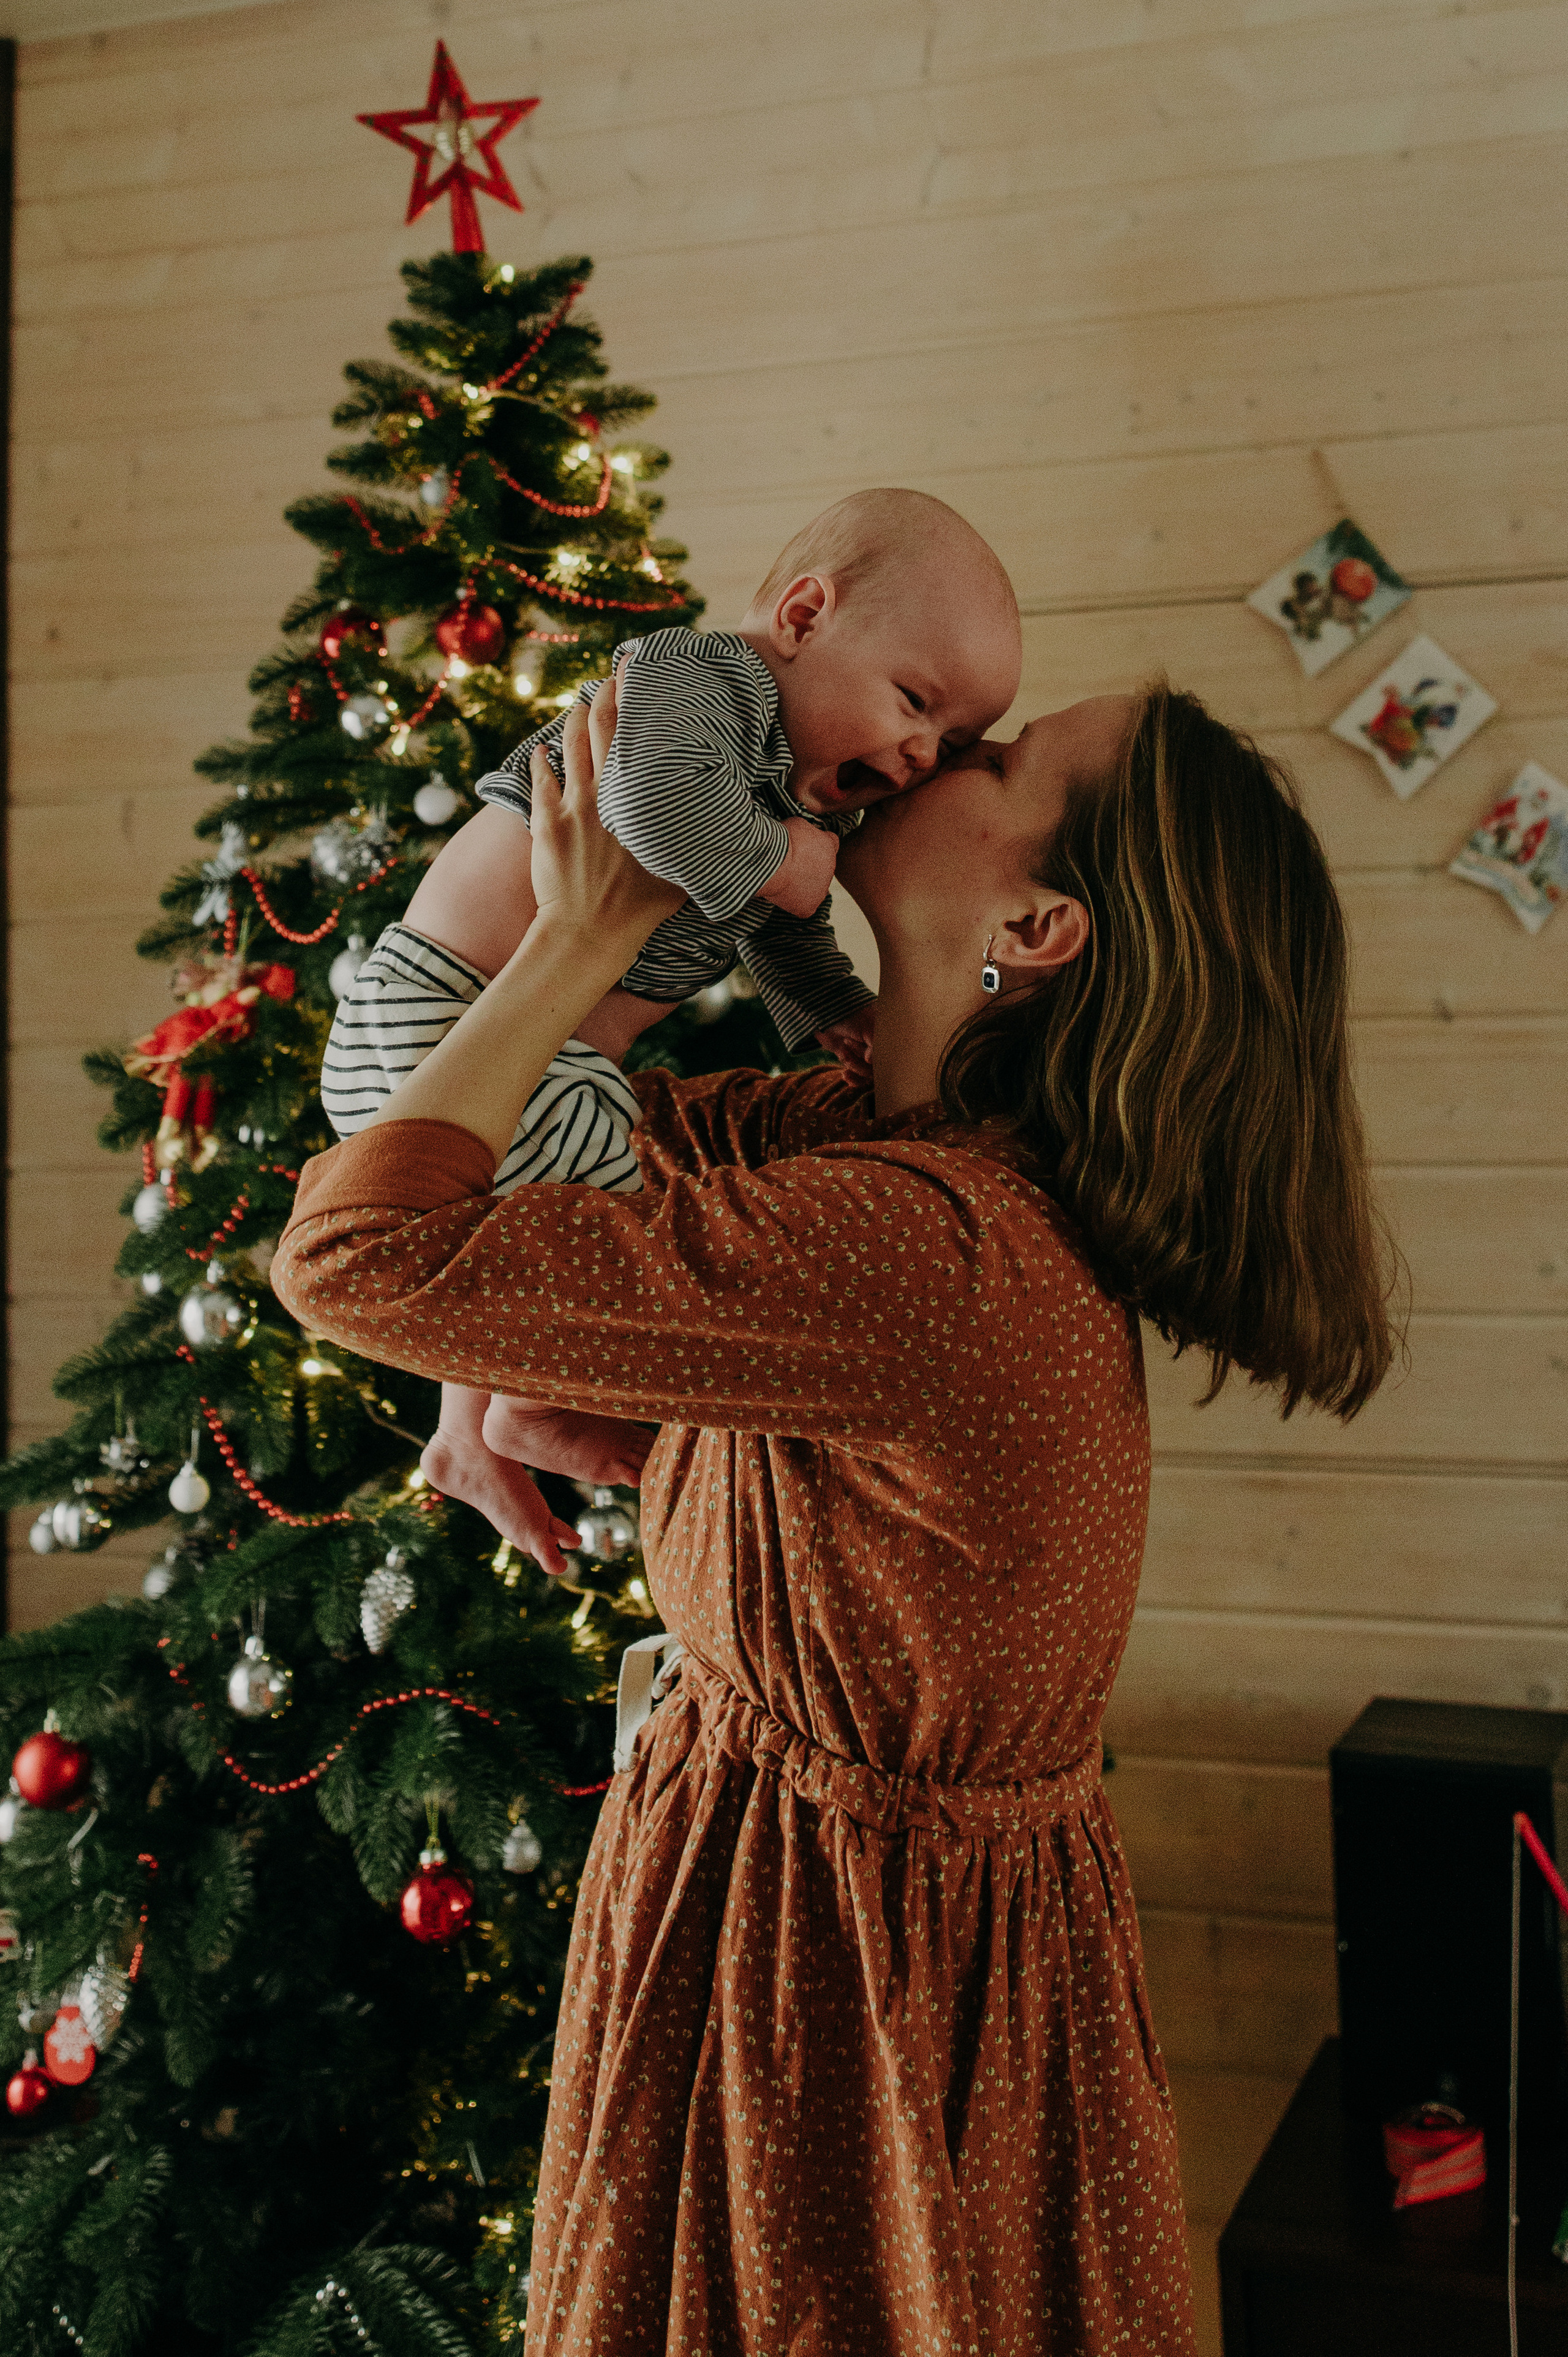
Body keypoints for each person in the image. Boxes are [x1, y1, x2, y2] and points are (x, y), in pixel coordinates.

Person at [273, 669, 1396, 2356]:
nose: (934, 756)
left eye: (997, 761)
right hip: (790, 1904)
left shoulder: (928, 1248)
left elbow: (359, 1255)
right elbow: (516, 1182)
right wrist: (493, 1380)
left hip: (839, 1981)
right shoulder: (865, 1144)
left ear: (1037, 922)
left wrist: (581, 938)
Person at [320, 487, 1020, 1570]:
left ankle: (468, 1427)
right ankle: (528, 1407)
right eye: (914, 699)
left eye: (957, 737)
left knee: (530, 1195)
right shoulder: (699, 682)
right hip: (442, 1004)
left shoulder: (792, 796)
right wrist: (788, 864)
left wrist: (831, 1006)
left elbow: (774, 924)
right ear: (800, 617)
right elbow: (649, 808)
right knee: (611, 1206)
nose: (926, 751)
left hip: (527, 1046)